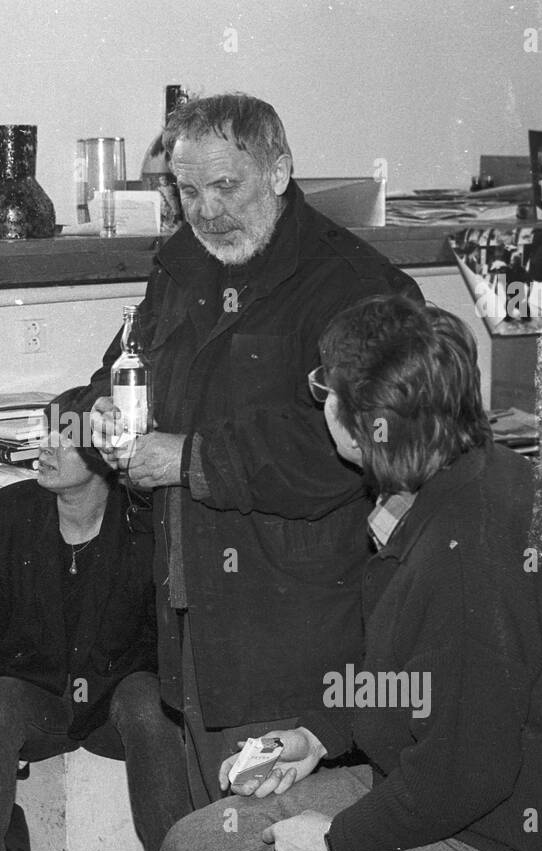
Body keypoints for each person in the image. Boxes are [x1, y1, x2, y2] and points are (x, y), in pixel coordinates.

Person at [160, 296, 542, 851]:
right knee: (197, 844)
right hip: (434, 789)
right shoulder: (453, 484)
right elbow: (412, 677)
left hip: (496, 835)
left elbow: (470, 767)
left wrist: (335, 842)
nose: (323, 402)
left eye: (330, 391)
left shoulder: (468, 549)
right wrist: (316, 735)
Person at [86, 92, 422, 806]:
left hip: (297, 645)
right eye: (187, 189)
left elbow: (364, 445)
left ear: (278, 170)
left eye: (225, 186)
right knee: (213, 836)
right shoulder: (179, 267)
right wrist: (96, 422)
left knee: (281, 841)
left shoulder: (355, 285)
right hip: (191, 634)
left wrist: (190, 459)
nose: (206, 210)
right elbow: (113, 375)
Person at [0, 392, 191, 851]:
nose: (43, 449)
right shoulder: (5, 513)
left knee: (146, 702)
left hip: (117, 699)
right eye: (43, 435)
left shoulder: (145, 519)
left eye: (62, 438)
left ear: (102, 454)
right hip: (41, 696)